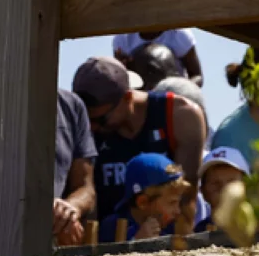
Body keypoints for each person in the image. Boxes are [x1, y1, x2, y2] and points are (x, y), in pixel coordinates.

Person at [0, 80, 95, 246]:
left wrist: (69, 209)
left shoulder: (72, 105)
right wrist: (45, 209)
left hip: (54, 243)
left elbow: (86, 188)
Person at [72, 56, 204, 232]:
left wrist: (179, 251)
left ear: (127, 97)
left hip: (164, 239)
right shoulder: (81, 126)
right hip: (107, 242)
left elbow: (186, 199)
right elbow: (84, 197)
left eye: (99, 119)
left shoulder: (181, 117)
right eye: (85, 118)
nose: (91, 128)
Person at [99, 153, 186, 242]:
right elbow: (108, 255)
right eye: (172, 203)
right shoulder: (113, 227)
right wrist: (136, 242)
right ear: (142, 202)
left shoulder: (170, 227)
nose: (178, 211)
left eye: (179, 202)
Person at [113, 30, 203, 87]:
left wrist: (179, 92)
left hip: (174, 97)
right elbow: (119, 80)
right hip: (139, 98)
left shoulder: (179, 35)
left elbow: (197, 76)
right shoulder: (123, 38)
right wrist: (121, 69)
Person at [192, 147, 248, 233]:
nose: (224, 189)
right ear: (203, 192)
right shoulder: (198, 233)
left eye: (232, 182)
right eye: (215, 183)